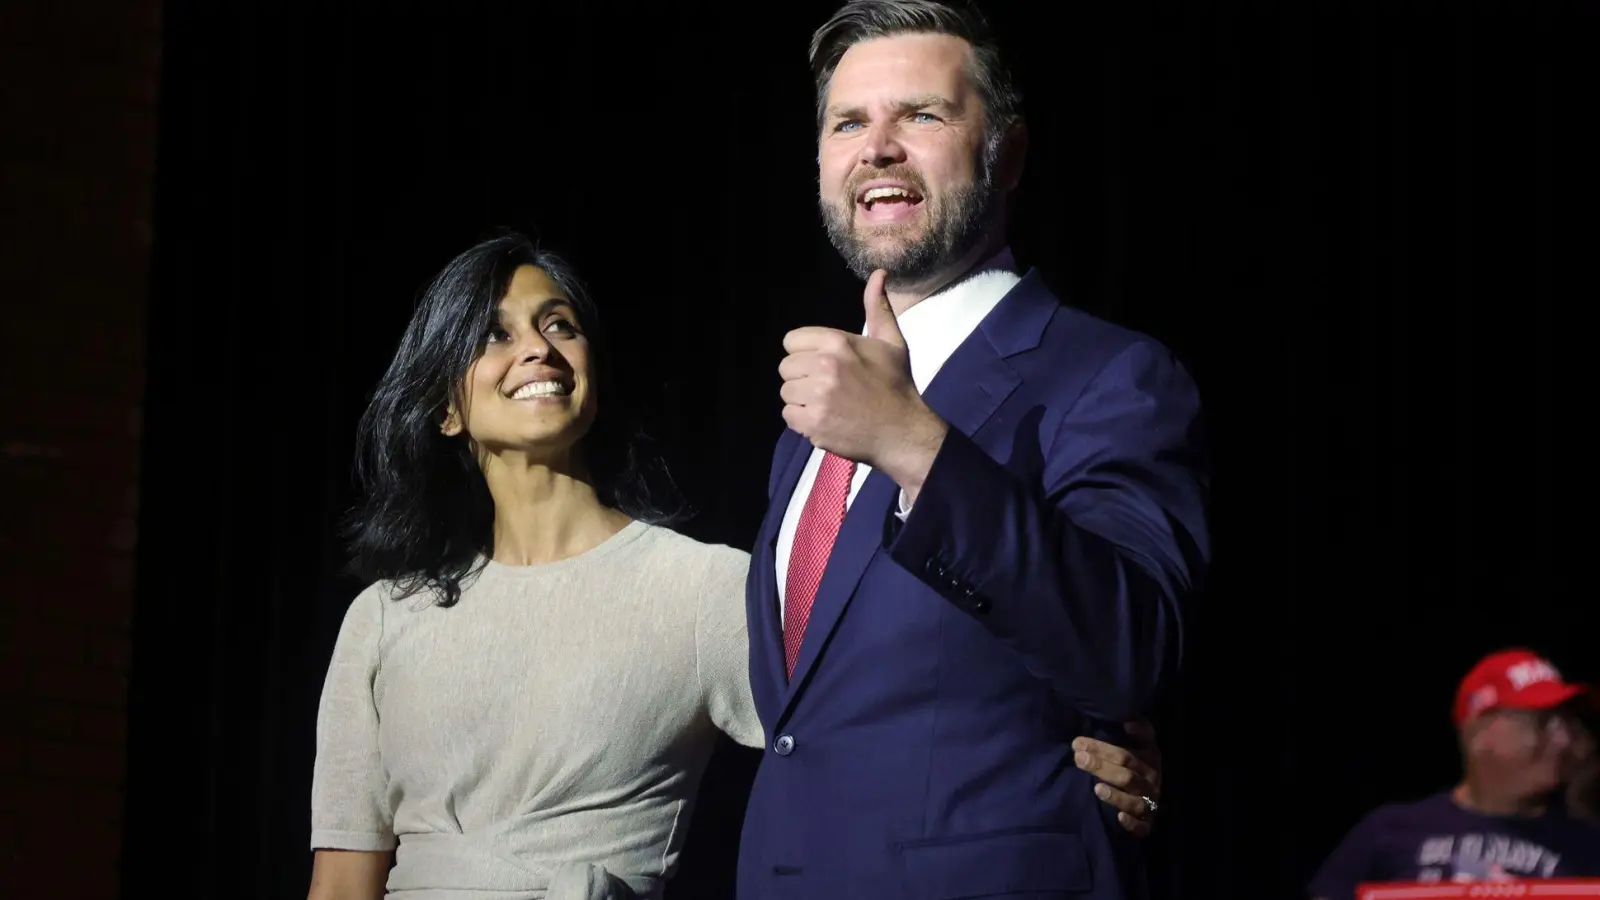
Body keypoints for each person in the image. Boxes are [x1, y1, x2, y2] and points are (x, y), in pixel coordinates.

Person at [307, 232, 1166, 900]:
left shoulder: (700, 588)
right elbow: (342, 879)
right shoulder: (386, 618)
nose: (536, 348)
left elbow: (877, 721)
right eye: (494, 335)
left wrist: (1085, 742)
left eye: (557, 323)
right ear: (444, 410)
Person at [736, 2, 1211, 899]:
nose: (878, 146)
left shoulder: (1112, 375)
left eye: (921, 115)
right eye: (849, 123)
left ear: (1010, 155)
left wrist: (912, 443)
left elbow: (1129, 648)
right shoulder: (813, 427)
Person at [1308, 649, 1600, 899]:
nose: (1563, 740)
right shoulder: (1387, 830)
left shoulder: (1586, 845)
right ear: (1480, 733)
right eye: (1543, 722)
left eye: (1566, 723)